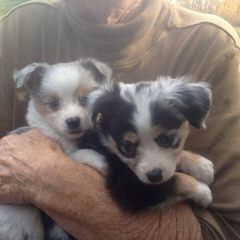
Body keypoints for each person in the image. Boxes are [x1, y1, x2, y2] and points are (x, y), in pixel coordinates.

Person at [0, 0, 239, 239]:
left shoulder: (214, 46)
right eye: (54, 104)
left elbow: (225, 230)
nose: (73, 115)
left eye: (85, 100)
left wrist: (48, 180)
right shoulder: (18, 27)